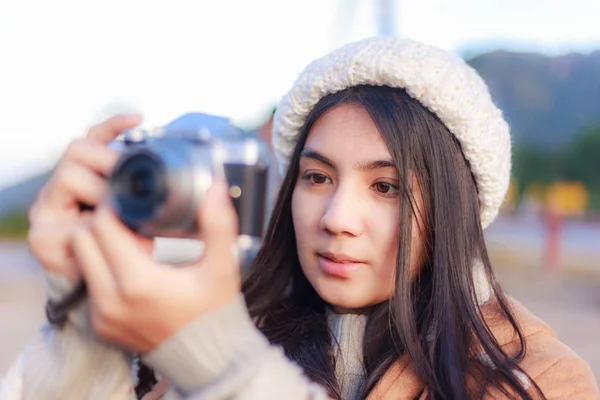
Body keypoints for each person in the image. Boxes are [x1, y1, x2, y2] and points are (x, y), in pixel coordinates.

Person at [1, 37, 598, 400]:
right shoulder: (223, 323)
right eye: (316, 178)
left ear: (456, 210)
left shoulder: (537, 378)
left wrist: (226, 368)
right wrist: (86, 335)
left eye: (385, 186)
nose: (338, 218)